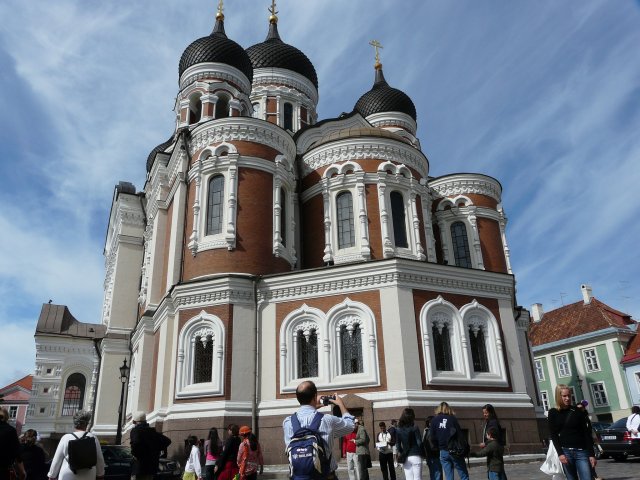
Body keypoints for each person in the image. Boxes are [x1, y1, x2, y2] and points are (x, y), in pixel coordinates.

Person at [282, 380, 355, 478]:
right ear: (315, 396)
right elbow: (351, 426)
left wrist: (313, 407)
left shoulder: (288, 422)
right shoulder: (327, 420)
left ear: (298, 398)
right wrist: (341, 404)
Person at [548, 384, 596, 480]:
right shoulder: (553, 412)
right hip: (566, 452)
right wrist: (560, 453)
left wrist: (591, 454)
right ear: (559, 396)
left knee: (587, 478)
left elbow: (586, 434)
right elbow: (553, 435)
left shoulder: (577, 411)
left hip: (581, 452)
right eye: (564, 396)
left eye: (569, 395)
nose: (567, 398)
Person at [47, 410, 105, 480]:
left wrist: (52, 475)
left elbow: (57, 459)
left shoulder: (66, 437)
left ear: (74, 423)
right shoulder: (93, 437)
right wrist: (100, 474)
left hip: (68, 475)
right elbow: (99, 459)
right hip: (88, 475)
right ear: (87, 424)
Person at [431, 402, 469, 480]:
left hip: (443, 451)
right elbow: (459, 434)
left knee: (448, 476)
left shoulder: (434, 420)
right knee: (463, 475)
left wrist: (438, 446)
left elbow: (432, 437)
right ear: (448, 409)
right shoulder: (452, 419)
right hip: (455, 450)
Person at [130, 411, 172, 480]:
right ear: (145, 421)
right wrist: (156, 451)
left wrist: (135, 455)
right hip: (151, 468)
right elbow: (167, 441)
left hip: (139, 468)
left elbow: (135, 444)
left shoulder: (136, 430)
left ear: (134, 422)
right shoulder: (152, 432)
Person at [395, 408, 422, 480]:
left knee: (408, 478)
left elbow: (397, 445)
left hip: (406, 456)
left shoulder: (398, 429)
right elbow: (419, 443)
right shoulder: (415, 427)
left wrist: (402, 452)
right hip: (416, 455)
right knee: (418, 478)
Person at [0, 407, 26, 480]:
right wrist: (22, 472)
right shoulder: (10, 431)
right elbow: (17, 453)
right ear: (6, 417)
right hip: (3, 471)